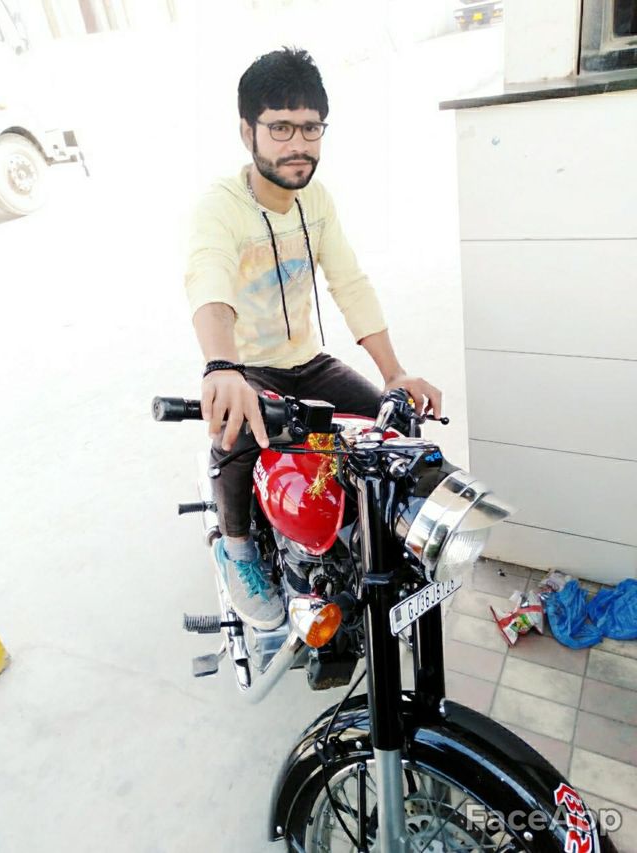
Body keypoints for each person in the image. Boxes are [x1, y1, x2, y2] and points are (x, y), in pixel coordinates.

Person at [184, 47, 441, 631]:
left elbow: (349, 282)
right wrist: (222, 365)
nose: (297, 143)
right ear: (247, 131)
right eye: (280, 127)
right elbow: (208, 281)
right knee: (235, 434)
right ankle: (237, 549)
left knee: (389, 428)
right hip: (248, 367)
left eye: (310, 128)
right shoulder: (219, 208)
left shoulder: (316, 201)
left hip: (307, 361)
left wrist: (394, 373)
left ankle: (370, 543)